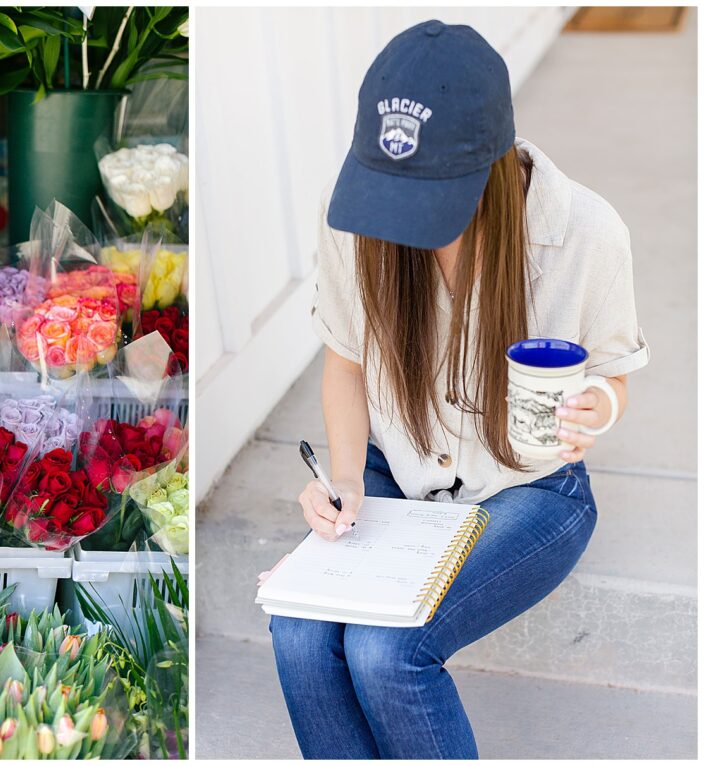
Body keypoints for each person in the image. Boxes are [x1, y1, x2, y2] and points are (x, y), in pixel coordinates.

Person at [265, 20, 650, 759]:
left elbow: (611, 376)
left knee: (386, 650)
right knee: (299, 633)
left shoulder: (588, 234)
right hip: (397, 467)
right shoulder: (351, 214)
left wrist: (594, 409)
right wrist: (343, 477)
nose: (409, 229)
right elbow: (346, 359)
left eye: (432, 203)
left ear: (493, 170)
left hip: (529, 487)